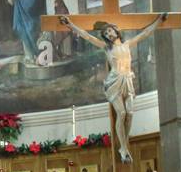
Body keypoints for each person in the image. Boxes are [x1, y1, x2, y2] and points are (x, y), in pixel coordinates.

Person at [59, 11, 168, 161]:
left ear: (116, 31)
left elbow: (145, 33)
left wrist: (159, 21)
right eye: (106, 33)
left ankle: (125, 144)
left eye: (110, 30)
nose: (109, 34)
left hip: (128, 80)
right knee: (121, 113)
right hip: (114, 82)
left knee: (130, 113)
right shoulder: (106, 47)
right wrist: (70, 24)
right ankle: (123, 148)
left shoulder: (127, 44)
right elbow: (87, 36)